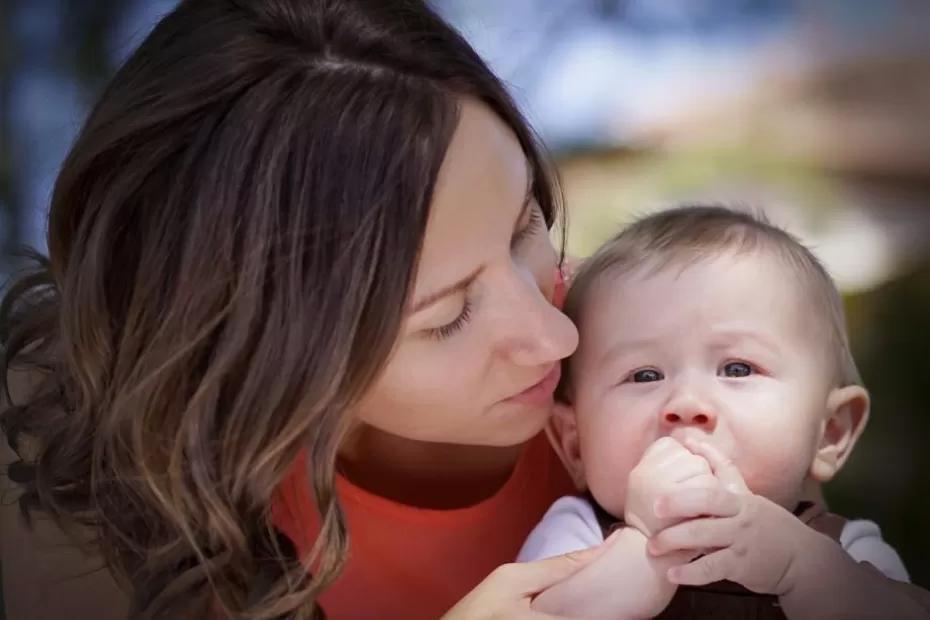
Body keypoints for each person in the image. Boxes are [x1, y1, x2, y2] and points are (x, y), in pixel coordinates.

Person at [0, 1, 595, 618]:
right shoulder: (90, 484)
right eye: (446, 317)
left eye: (525, 225)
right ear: (257, 344)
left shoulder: (658, 349)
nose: (557, 335)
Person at [519, 205, 930, 618]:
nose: (687, 404)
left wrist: (802, 571)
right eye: (644, 375)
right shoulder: (577, 535)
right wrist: (645, 548)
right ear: (575, 444)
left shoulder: (846, 550)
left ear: (830, 433)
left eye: (737, 369)